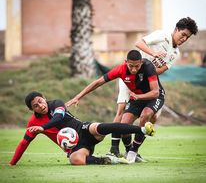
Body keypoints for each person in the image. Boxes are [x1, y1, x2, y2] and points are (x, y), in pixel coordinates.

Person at [110, 17, 198, 161]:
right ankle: (113, 149)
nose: (184, 39)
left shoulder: (176, 54)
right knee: (121, 111)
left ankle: (131, 151)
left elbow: (161, 69)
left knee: (153, 116)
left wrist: (147, 74)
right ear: (176, 29)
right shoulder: (162, 36)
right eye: (183, 35)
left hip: (145, 82)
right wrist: (153, 54)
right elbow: (138, 43)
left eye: (187, 37)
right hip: (129, 75)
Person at [66, 50, 165, 163]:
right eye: (131, 66)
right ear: (125, 62)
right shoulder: (120, 70)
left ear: (141, 62)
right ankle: (128, 150)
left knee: (145, 115)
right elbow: (98, 82)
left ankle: (133, 151)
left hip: (154, 97)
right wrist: (78, 96)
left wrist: (138, 96)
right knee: (124, 125)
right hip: (137, 97)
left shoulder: (148, 66)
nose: (133, 69)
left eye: (137, 66)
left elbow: (155, 92)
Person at [9, 91, 155, 166]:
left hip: (83, 129)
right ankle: (109, 160)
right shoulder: (33, 123)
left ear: (44, 97)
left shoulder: (56, 104)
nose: (41, 106)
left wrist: (42, 127)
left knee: (99, 127)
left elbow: (58, 118)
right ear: (31, 109)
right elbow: (24, 143)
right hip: (76, 145)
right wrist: (12, 163)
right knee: (75, 160)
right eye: (36, 106)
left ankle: (141, 130)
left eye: (40, 101)